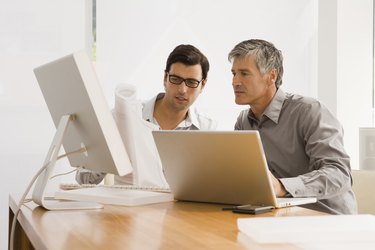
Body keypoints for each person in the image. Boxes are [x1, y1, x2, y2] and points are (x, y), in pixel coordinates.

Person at [228, 39, 356, 214]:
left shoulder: (309, 111)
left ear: (271, 76)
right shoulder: (243, 122)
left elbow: (339, 174)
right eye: (233, 73)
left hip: (325, 217)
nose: (235, 82)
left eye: (244, 73)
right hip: (278, 216)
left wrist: (282, 187)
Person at [76, 44, 217, 184]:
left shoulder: (206, 128)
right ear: (165, 78)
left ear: (202, 85)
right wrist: (111, 149)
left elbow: (209, 186)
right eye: (176, 79)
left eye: (191, 82)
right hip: (130, 205)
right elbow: (84, 179)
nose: (182, 90)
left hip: (179, 206)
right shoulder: (127, 115)